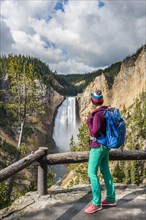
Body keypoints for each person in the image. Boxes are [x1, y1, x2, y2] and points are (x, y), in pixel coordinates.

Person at [85, 90, 116, 214]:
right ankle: (111, 198)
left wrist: (88, 123)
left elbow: (94, 131)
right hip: (105, 146)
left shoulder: (97, 114)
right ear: (101, 100)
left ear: (93, 101)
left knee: (91, 172)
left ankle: (96, 203)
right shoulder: (105, 111)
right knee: (104, 170)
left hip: (98, 146)